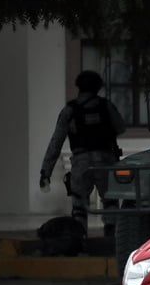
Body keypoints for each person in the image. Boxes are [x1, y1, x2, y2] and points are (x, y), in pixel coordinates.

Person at [40, 70, 126, 238]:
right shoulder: (105, 106)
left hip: (81, 162)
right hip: (105, 160)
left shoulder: (69, 110)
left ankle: (80, 239)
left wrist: (45, 171)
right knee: (110, 201)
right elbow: (121, 127)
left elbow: (56, 142)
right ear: (97, 87)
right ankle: (110, 237)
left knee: (79, 205)